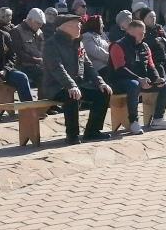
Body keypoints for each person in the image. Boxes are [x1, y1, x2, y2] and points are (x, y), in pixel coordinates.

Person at [40, 15, 112, 144]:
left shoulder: (78, 42)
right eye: (76, 25)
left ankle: (92, 132)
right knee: (72, 96)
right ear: (65, 27)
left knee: (103, 92)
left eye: (79, 24)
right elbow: (57, 68)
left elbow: (88, 66)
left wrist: (100, 83)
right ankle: (72, 135)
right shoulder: (51, 44)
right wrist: (71, 85)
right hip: (56, 86)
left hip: (77, 85)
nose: (80, 27)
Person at [109, 19, 166, 133]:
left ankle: (158, 119)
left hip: (143, 80)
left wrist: (156, 78)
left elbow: (151, 66)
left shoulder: (144, 46)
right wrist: (139, 79)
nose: (143, 36)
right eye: (140, 33)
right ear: (130, 32)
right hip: (120, 80)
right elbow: (120, 68)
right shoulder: (117, 45)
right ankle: (133, 121)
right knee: (134, 85)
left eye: (144, 33)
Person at [11, 7, 46, 86]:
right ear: (29, 20)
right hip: (23, 66)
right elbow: (18, 53)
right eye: (38, 23)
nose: (40, 26)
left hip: (39, 65)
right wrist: (37, 60)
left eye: (41, 24)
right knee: (46, 75)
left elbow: (43, 48)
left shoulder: (39, 31)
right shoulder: (16, 31)